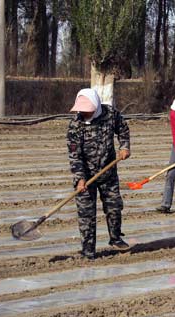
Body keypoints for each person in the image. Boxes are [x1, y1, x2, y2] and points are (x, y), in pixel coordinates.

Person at [67, 88, 131, 260]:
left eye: (87, 109)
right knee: (86, 214)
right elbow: (75, 157)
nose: (83, 113)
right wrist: (80, 179)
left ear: (96, 106)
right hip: (85, 177)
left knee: (114, 207)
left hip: (108, 171)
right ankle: (88, 250)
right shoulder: (75, 126)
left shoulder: (111, 114)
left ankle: (115, 238)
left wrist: (124, 147)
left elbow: (123, 129)